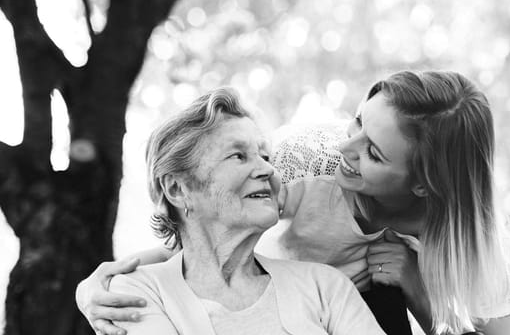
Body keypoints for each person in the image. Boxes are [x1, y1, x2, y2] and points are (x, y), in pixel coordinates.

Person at [77, 71, 510, 335]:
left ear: (424, 185)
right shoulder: (308, 157)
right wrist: (108, 278)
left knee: (383, 297)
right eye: (356, 122)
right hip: (258, 306)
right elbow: (210, 230)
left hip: (349, 317)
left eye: (373, 152)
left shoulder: (476, 245)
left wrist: (418, 289)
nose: (345, 147)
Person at [102, 87, 386, 334]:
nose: (267, 169)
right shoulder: (138, 291)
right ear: (178, 189)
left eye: (264, 156)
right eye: (238, 156)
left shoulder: (325, 284)